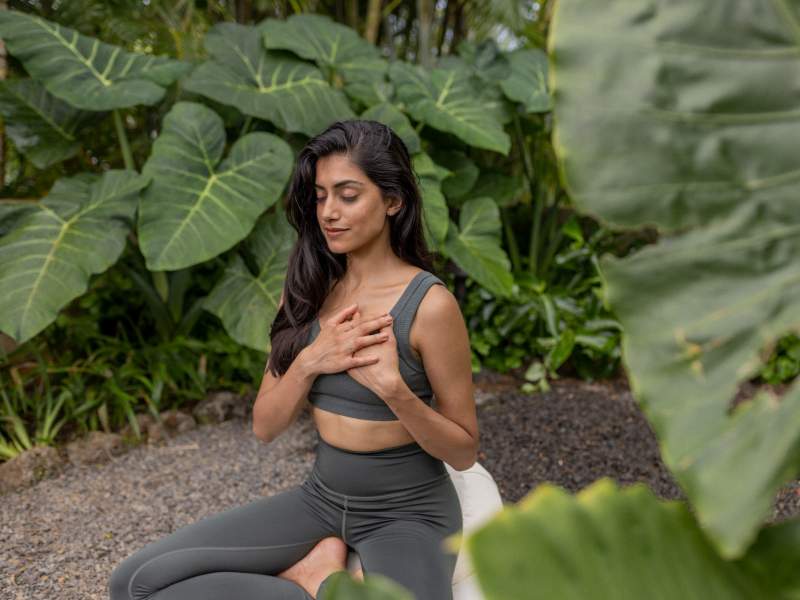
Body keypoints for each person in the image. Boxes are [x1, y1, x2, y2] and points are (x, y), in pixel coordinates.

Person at [108, 119, 479, 599]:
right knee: (133, 584)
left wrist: (394, 391)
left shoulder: (429, 305)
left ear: (393, 201)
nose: (329, 211)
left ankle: (319, 581)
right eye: (321, 196)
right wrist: (310, 360)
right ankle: (320, 576)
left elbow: (464, 450)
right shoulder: (308, 290)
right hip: (322, 499)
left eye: (347, 195)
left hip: (407, 512)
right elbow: (265, 425)